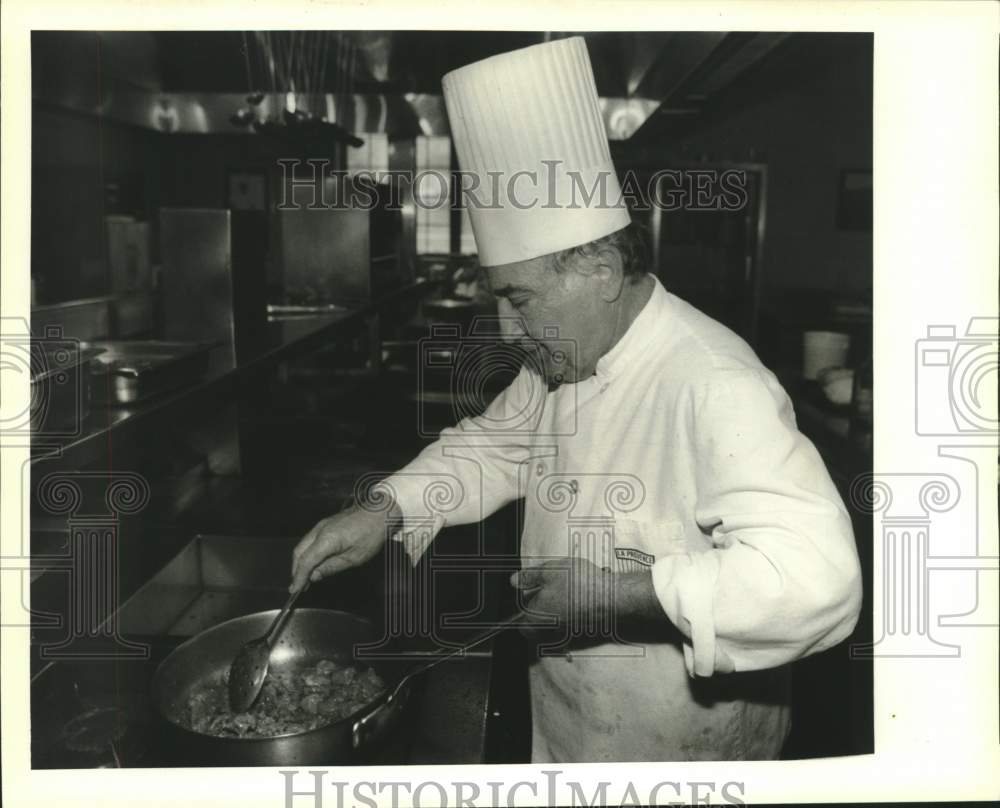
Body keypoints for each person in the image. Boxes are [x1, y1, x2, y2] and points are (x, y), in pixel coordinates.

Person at [290, 36, 862, 763]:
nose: (510, 329)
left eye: (520, 299)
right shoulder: (563, 357)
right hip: (568, 728)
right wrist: (388, 506)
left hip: (685, 751)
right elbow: (495, 447)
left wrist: (618, 597)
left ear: (596, 267)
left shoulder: (717, 380)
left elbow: (818, 582)